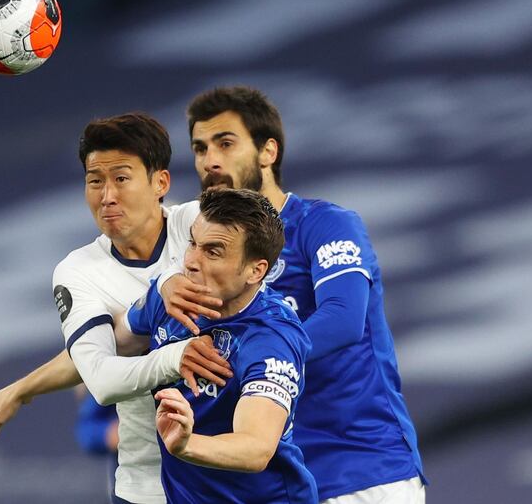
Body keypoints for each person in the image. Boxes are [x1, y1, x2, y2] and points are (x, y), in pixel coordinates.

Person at [161, 86, 426, 503]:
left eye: (226, 143)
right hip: (278, 482)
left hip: (359, 467)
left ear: (269, 152)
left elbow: (343, 318)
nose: (209, 161)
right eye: (199, 148)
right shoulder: (201, 252)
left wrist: (254, 357)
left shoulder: (325, 225)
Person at [0, 113, 231, 504]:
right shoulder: (78, 271)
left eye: (121, 178)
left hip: (236, 471)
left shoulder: (201, 224)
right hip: (150, 487)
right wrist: (176, 355)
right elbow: (100, 377)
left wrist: (25, 387)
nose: (107, 195)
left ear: (160, 183)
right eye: (95, 180)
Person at [117, 188, 317, 504]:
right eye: (193, 243)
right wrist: (21, 391)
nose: (191, 262)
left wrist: (186, 445)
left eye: (213, 252)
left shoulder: (270, 338)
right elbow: (114, 342)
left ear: (256, 270)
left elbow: (255, 448)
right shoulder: (173, 295)